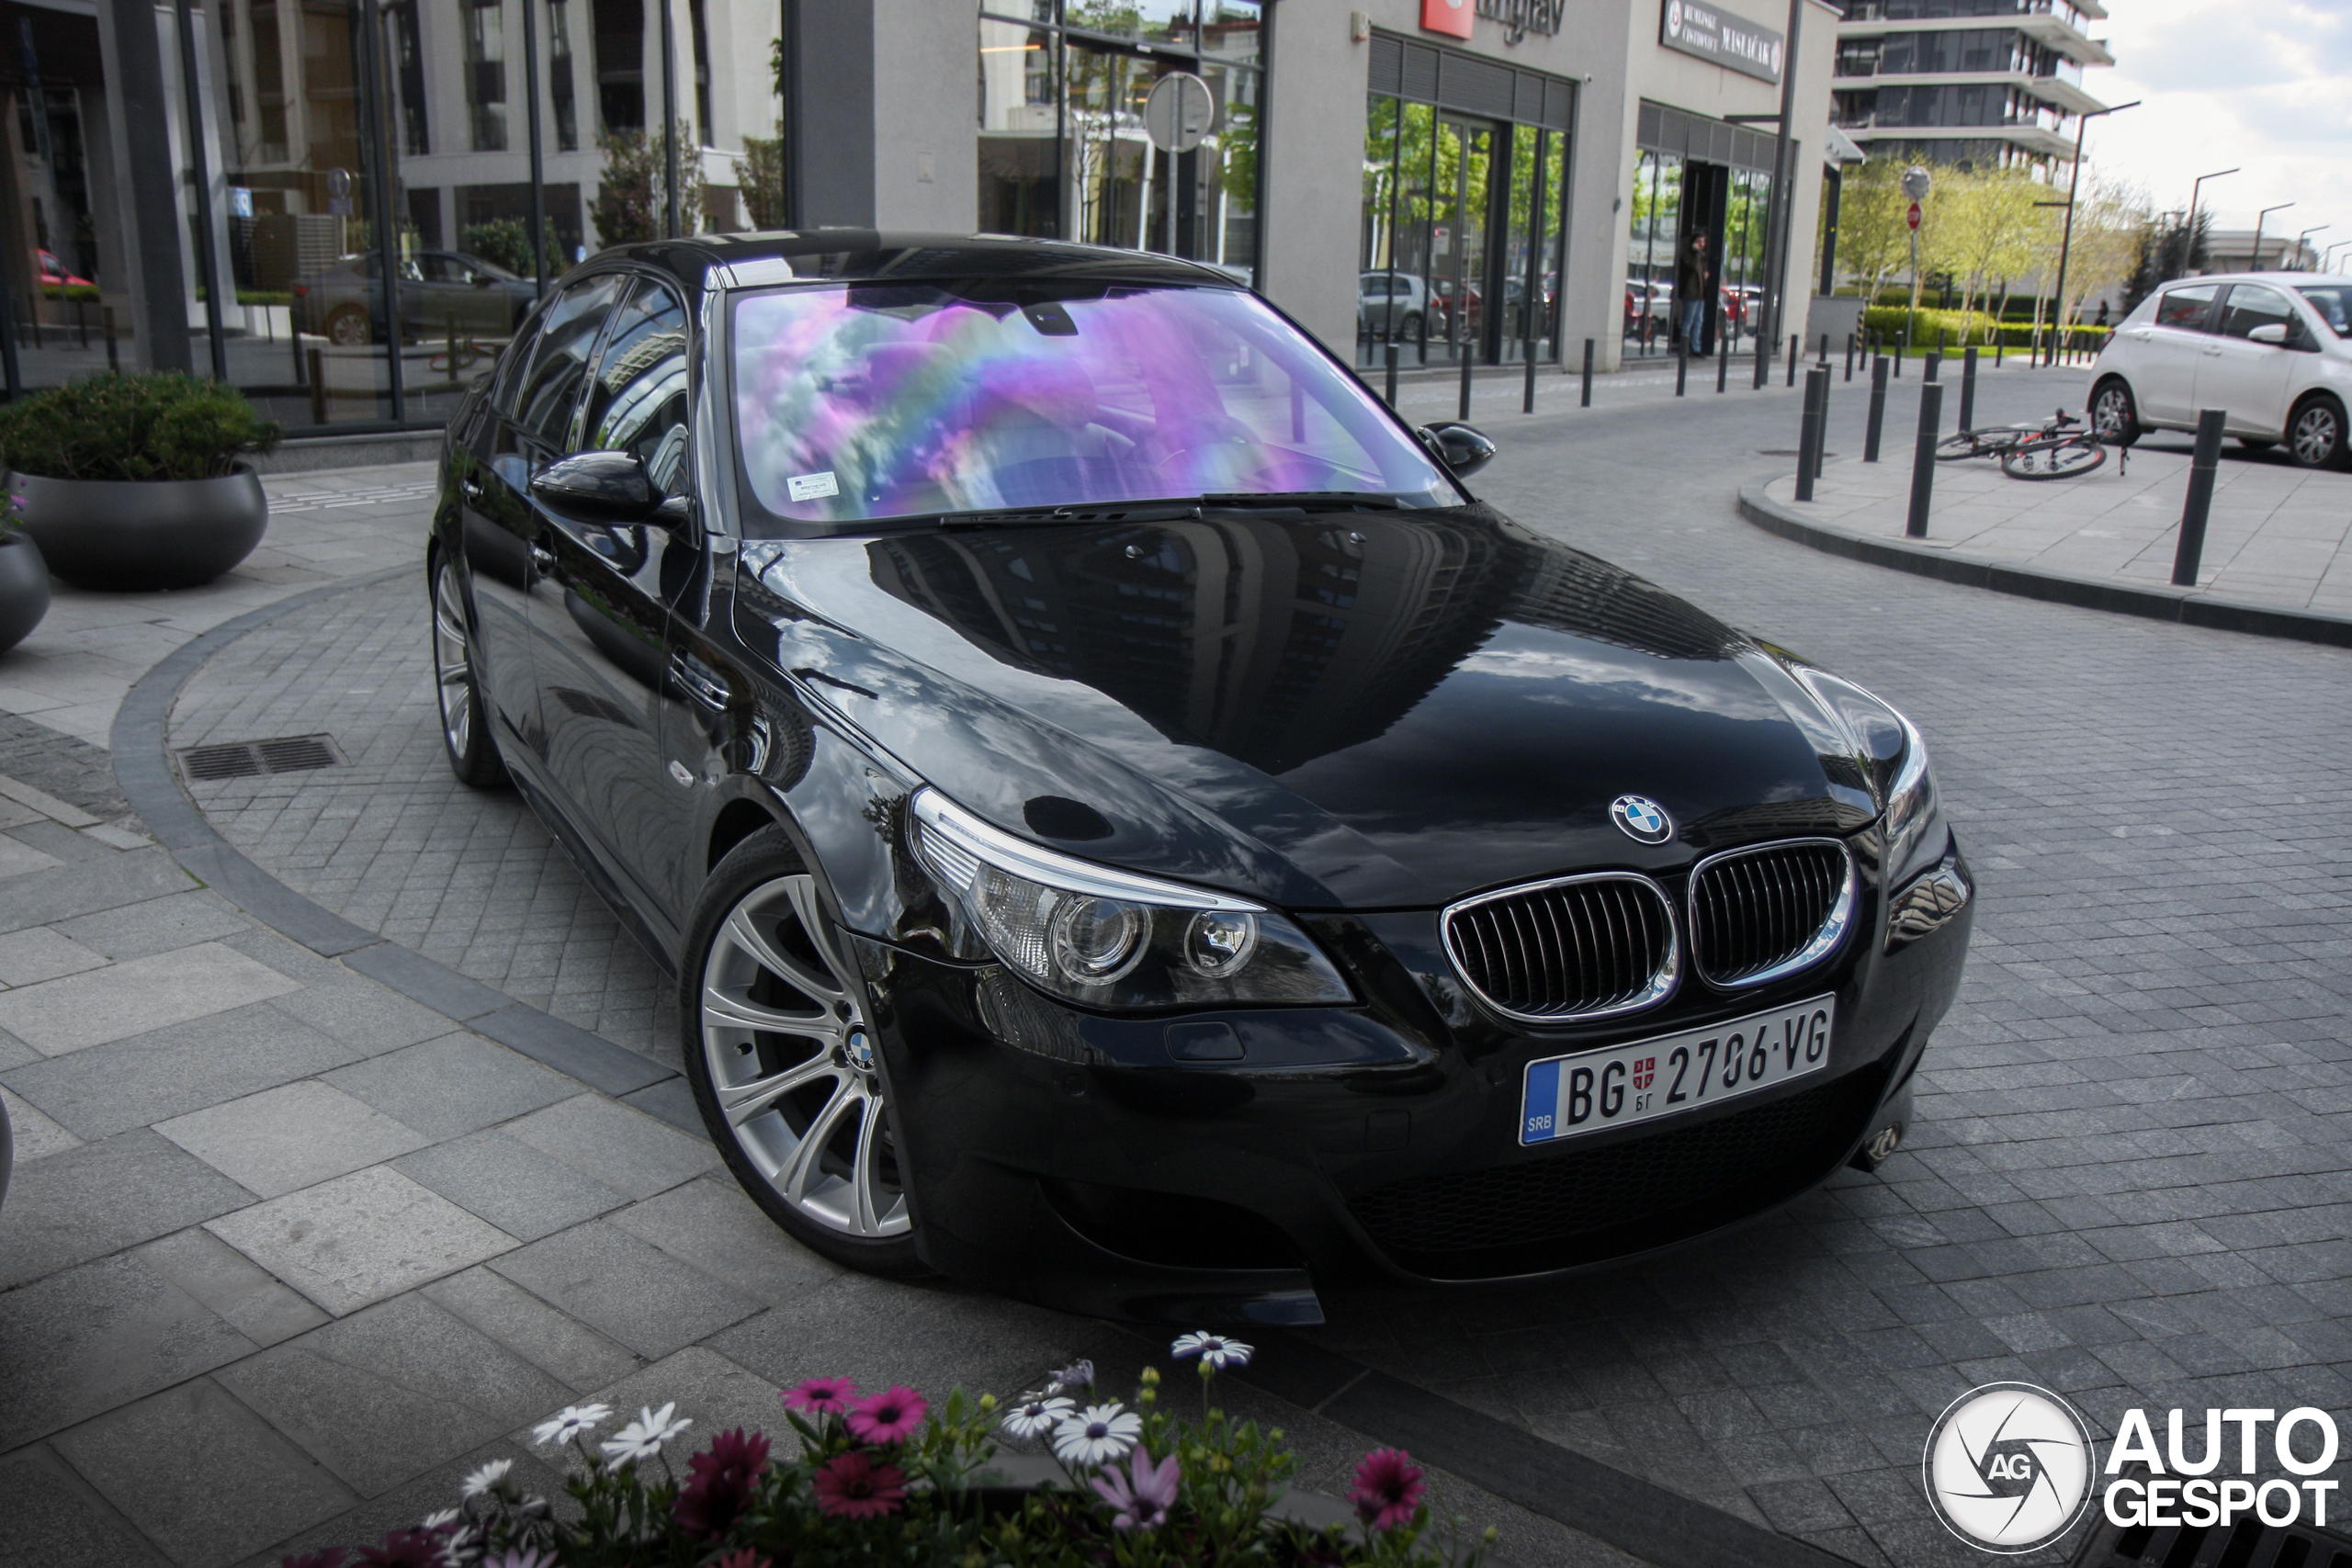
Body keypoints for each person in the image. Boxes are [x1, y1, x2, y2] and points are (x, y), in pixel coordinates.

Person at [1675, 233, 1710, 355]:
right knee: (1688, 320)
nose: (1701, 244)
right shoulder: (1688, 256)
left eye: (1703, 242)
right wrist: (1695, 252)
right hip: (1690, 294)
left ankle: (1696, 348)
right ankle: (1684, 347)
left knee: (1698, 321)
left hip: (1700, 294)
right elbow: (1693, 267)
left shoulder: (1701, 257)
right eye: (1699, 241)